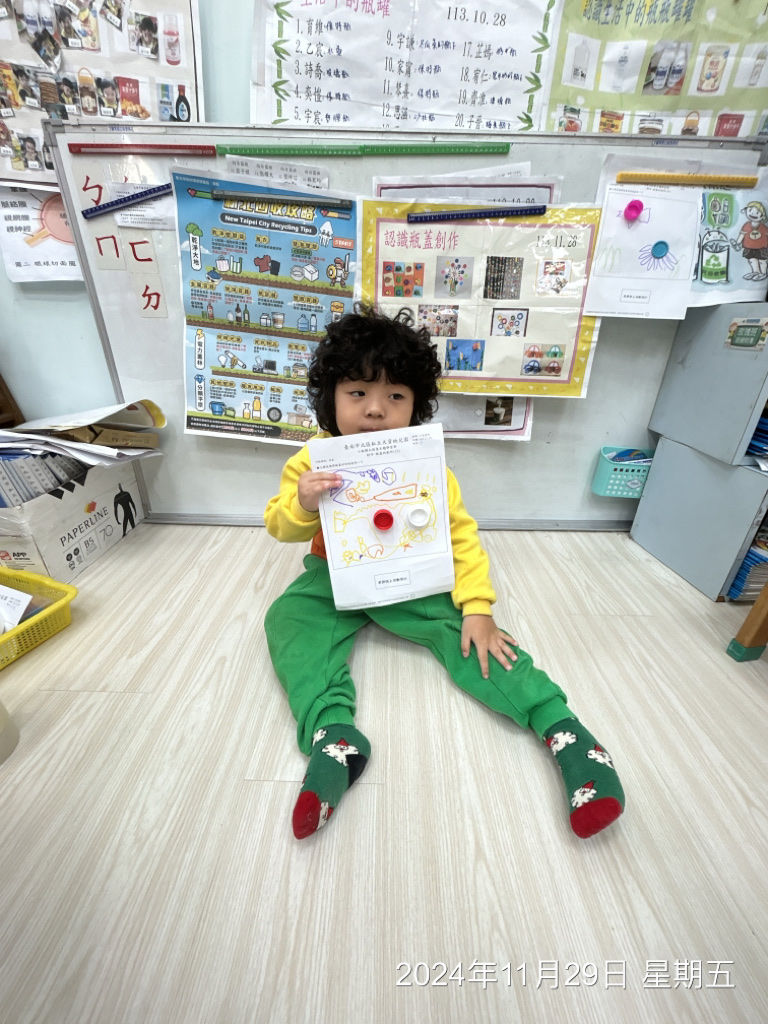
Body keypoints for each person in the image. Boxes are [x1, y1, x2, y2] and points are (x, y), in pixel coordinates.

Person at [264, 304, 625, 841]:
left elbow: (460, 536)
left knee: (476, 639)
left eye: (396, 396)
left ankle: (564, 731)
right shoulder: (312, 459)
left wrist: (478, 608)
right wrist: (303, 502)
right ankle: (334, 737)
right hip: (335, 573)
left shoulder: (428, 466)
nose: (375, 409)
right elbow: (278, 526)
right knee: (288, 619)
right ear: (330, 398)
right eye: (357, 392)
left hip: (413, 574)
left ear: (416, 405)